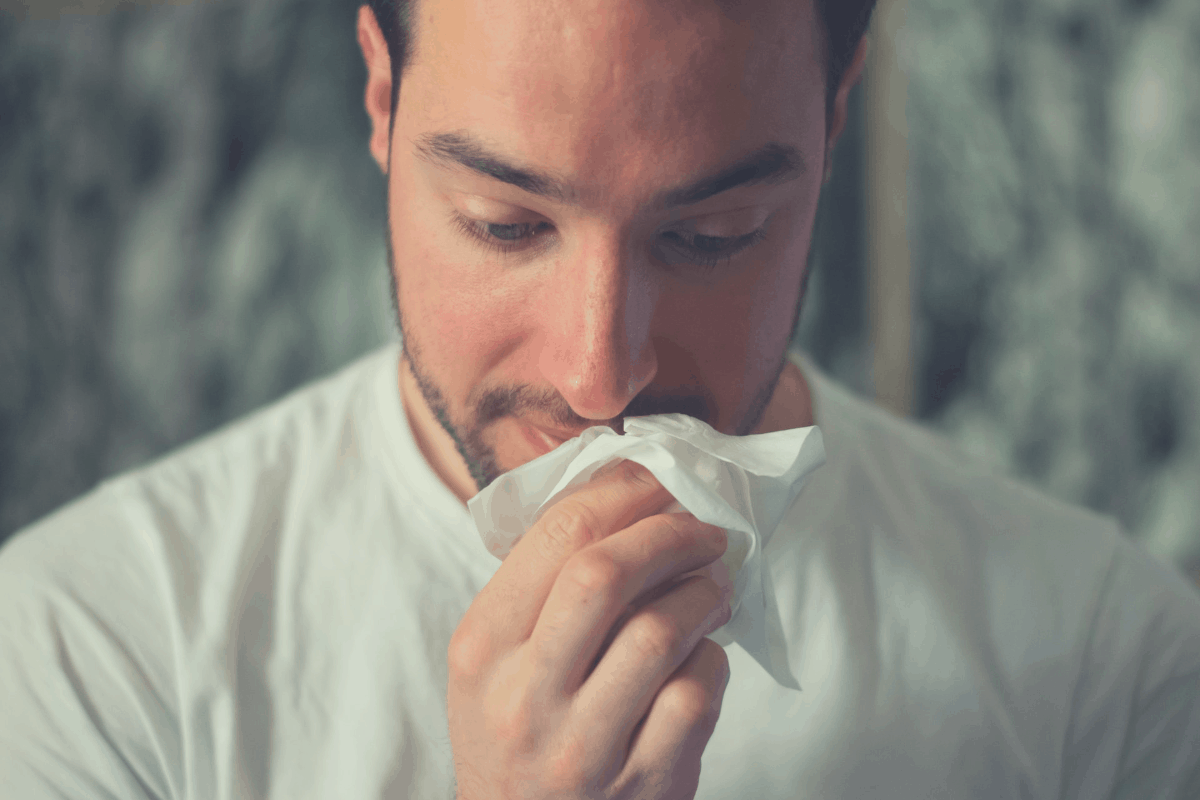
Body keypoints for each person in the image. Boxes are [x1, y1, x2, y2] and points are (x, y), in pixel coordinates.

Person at [1, 0, 1198, 797]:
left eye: (712, 234)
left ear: (832, 125)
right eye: (505, 224)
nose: (599, 373)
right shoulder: (92, 656)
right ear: (379, 96)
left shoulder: (1105, 670)